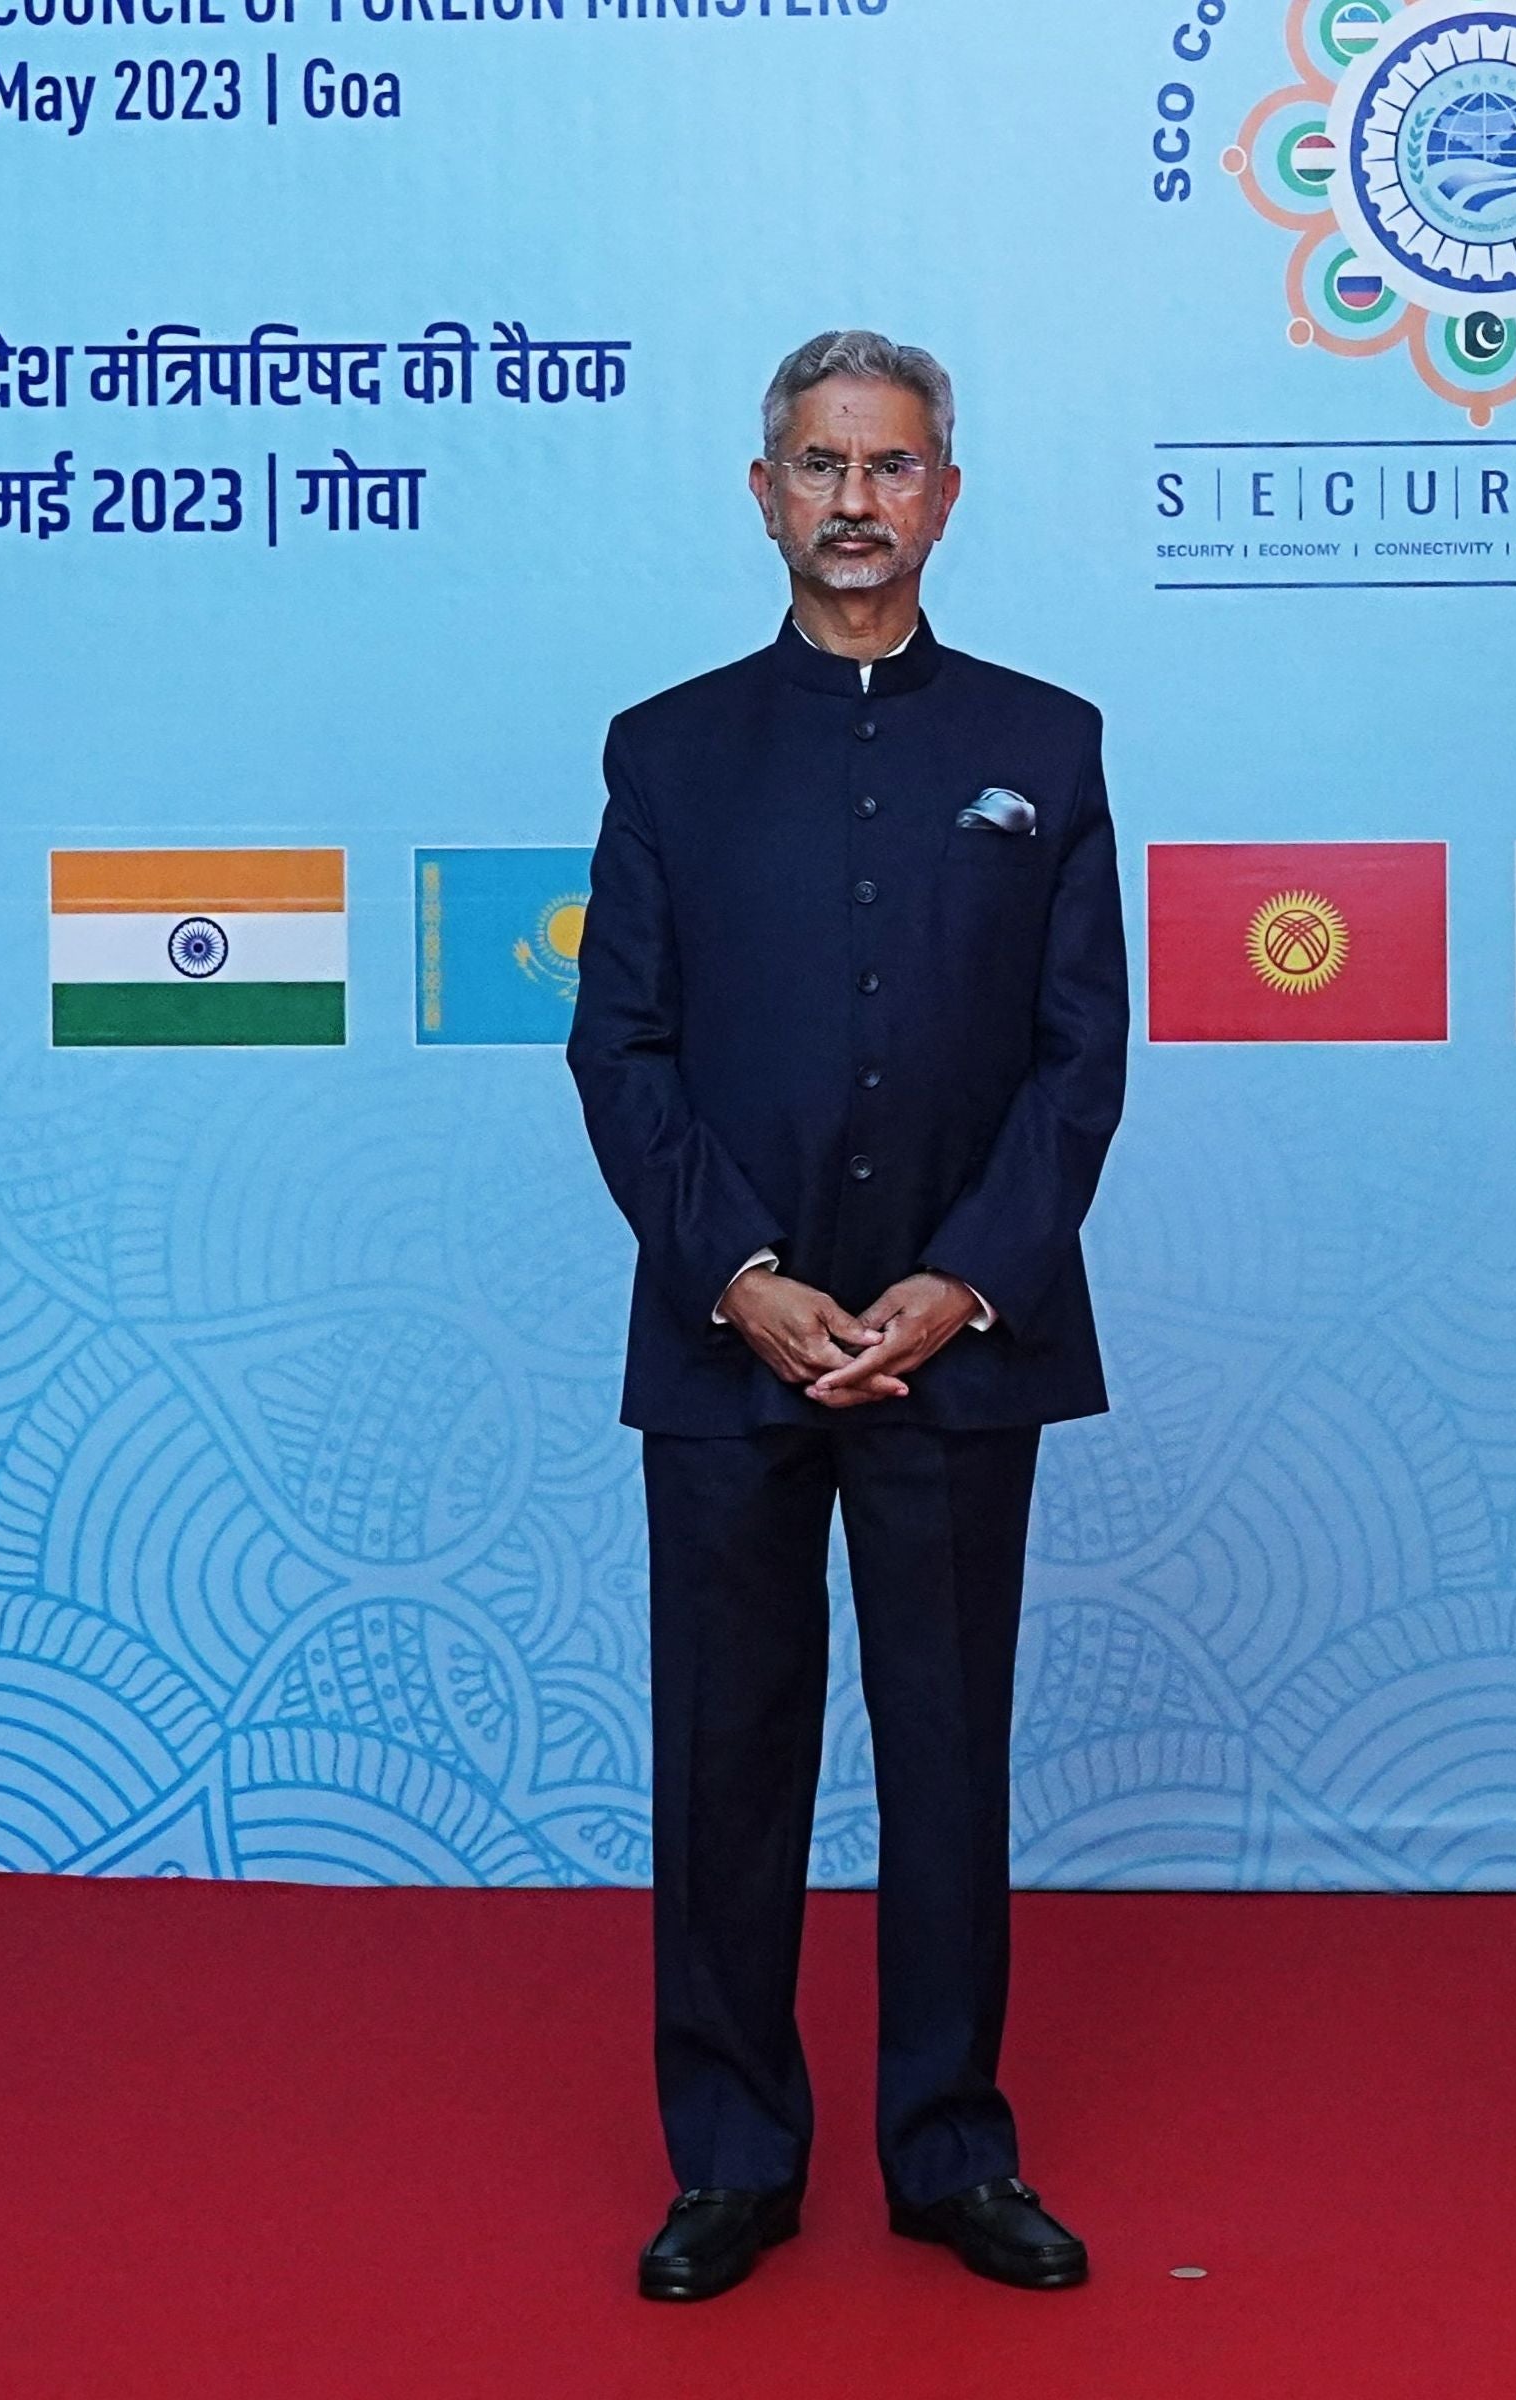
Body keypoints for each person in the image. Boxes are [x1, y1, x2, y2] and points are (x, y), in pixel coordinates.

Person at [569, 329, 1127, 2304]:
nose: (856, 502)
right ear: (764, 494)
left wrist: (960, 1283)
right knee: (727, 1760)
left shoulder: (1045, 745)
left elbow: (1080, 1065)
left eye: (892, 467)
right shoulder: (669, 748)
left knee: (947, 1755)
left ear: (946, 496)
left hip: (956, 1353)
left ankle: (950, 2149)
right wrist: (743, 1280)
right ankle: (731, 2154)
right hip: (733, 1347)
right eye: (819, 465)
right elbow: (618, 1052)